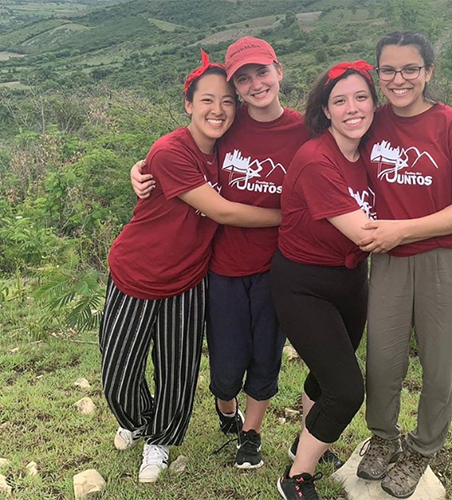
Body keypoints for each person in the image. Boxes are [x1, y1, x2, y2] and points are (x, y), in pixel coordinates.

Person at [131, 37, 343, 471]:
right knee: (226, 366)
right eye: (242, 79)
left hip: (279, 267)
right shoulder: (230, 123)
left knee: (266, 355)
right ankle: (227, 408)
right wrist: (139, 169)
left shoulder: (307, 129)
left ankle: (252, 434)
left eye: (261, 72)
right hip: (223, 265)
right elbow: (183, 148)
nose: (255, 84)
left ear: (279, 71)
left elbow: (353, 151)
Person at [100, 50, 281, 484]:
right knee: (118, 371)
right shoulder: (169, 150)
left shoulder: (227, 147)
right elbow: (224, 211)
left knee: (177, 369)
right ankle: (137, 417)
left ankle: (159, 440)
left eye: (227, 101)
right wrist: (288, 215)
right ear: (188, 104)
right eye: (207, 100)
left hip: (191, 277)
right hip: (137, 272)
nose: (218, 110)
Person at [354, 31, 452, 499]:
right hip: (390, 262)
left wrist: (401, 229)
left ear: (428, 72)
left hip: (447, 260)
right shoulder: (370, 123)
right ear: (378, 74)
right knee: (382, 361)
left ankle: (422, 449)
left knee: (439, 367)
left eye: (410, 69)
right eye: (388, 70)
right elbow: (314, 140)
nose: (399, 79)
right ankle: (383, 435)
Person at [271, 61, 379, 500]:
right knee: (347, 389)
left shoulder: (371, 151)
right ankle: (296, 477)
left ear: (375, 104)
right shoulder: (317, 159)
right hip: (304, 283)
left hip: (351, 280)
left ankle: (305, 441)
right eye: (340, 101)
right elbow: (365, 233)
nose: (352, 108)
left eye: (361, 98)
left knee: (324, 375)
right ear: (325, 111)